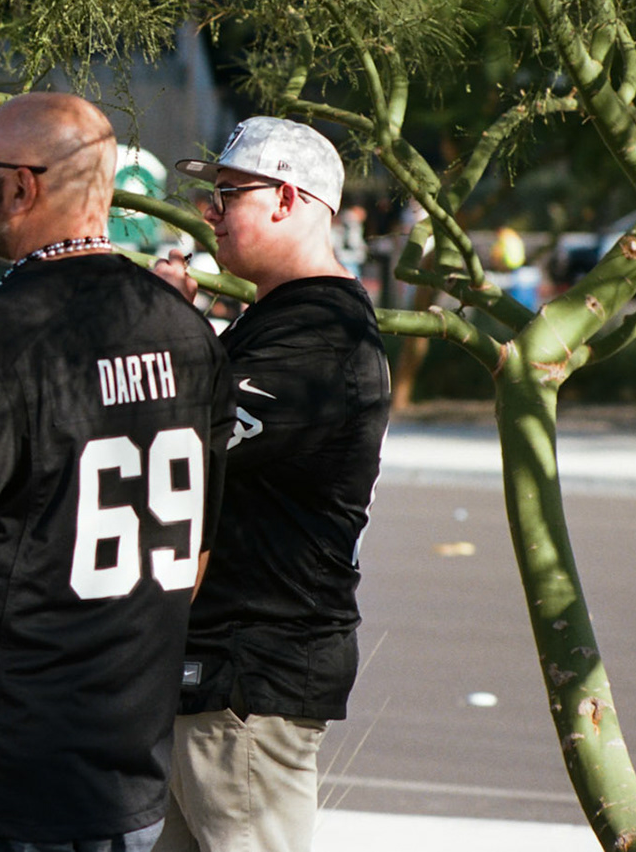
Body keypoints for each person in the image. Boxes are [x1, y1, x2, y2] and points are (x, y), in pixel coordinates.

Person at [0, 92, 232, 852]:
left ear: (19, 186)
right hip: (129, 748)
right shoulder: (185, 328)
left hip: (9, 755)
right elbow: (200, 547)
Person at [153, 118, 390, 852]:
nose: (210, 212)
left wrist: (165, 326)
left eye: (228, 194)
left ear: (287, 198)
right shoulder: (277, 319)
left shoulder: (323, 333)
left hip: (252, 676)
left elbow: (185, 439)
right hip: (213, 673)